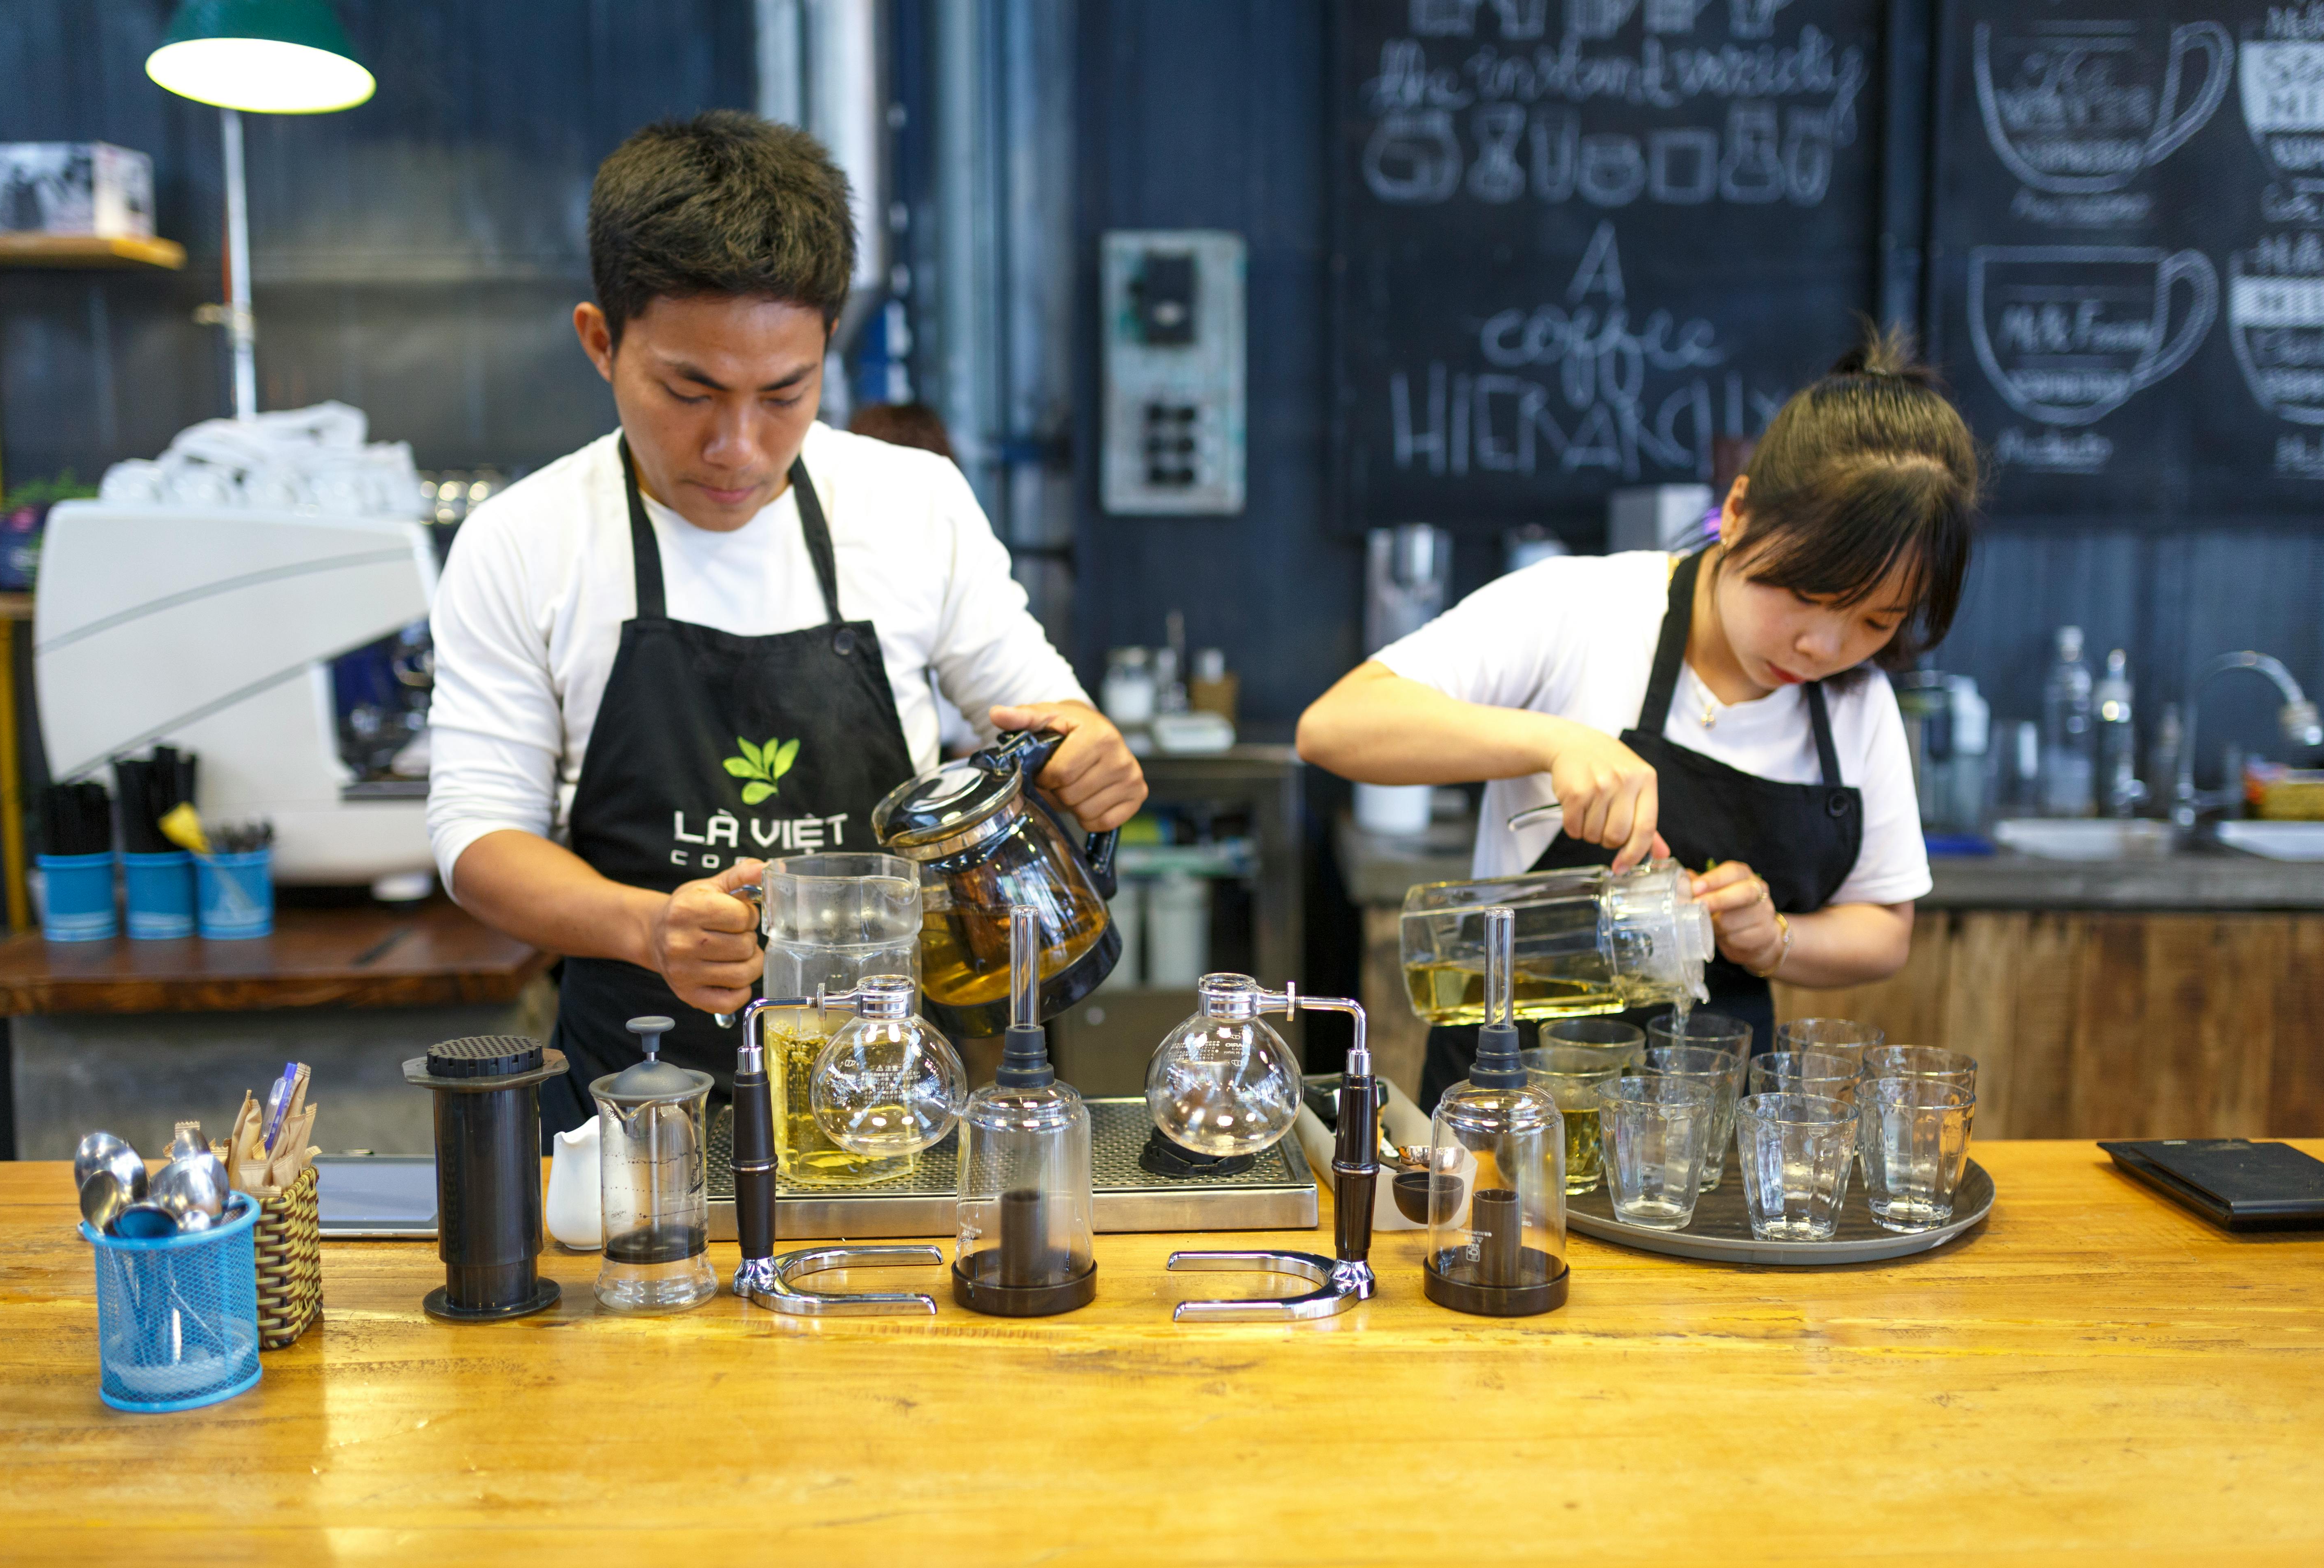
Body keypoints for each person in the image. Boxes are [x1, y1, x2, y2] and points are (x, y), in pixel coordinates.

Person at [426, 113, 1144, 1133]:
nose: (737, 447)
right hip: (635, 1096)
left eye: (784, 393)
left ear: (827, 348)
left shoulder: (912, 501)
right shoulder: (523, 540)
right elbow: (477, 837)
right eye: (690, 390)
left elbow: (1030, 705)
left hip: (892, 1086)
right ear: (600, 342)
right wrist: (649, 926)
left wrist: (1088, 746)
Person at [1297, 328, 1978, 1107]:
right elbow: (1334, 724)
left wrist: (1777, 939)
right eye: (1805, 595)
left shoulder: (1860, 707)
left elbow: (1886, 930)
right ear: (1740, 511)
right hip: (1514, 1113)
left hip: (1706, 1142)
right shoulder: (1583, 609)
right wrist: (1553, 741)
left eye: (1876, 622)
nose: (1822, 645)